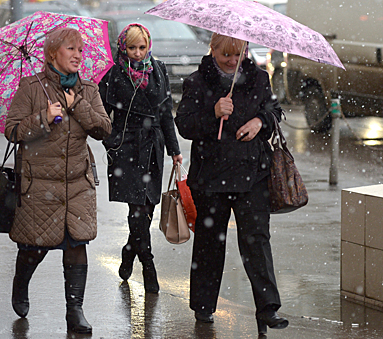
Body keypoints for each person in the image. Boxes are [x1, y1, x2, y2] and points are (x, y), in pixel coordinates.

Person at [174, 33, 288, 337]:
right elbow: (184, 125)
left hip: (253, 175)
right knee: (210, 244)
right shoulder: (197, 82)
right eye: (226, 54)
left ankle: (268, 309)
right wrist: (213, 114)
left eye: (238, 54)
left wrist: (260, 122)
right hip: (211, 178)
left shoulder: (260, 78)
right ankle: (203, 305)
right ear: (213, 50)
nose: (232, 60)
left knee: (256, 241)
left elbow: (276, 111)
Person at [4, 28, 111, 334]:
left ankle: (74, 311)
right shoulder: (30, 88)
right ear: (53, 54)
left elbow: (104, 129)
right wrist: (42, 118)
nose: (78, 55)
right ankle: (21, 283)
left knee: (77, 246)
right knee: (34, 248)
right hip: (39, 186)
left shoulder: (88, 90)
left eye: (81, 49)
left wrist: (77, 105)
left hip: (78, 184)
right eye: (71, 49)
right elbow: (12, 131)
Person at [98, 23, 182, 293]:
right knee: (136, 209)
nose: (136, 53)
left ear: (148, 46)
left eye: (141, 47)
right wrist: (110, 140)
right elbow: (99, 113)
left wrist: (174, 149)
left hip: (153, 146)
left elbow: (166, 111)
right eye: (132, 48)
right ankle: (148, 265)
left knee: (147, 208)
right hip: (126, 148)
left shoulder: (158, 70)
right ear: (123, 47)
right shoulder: (112, 75)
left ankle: (129, 250)